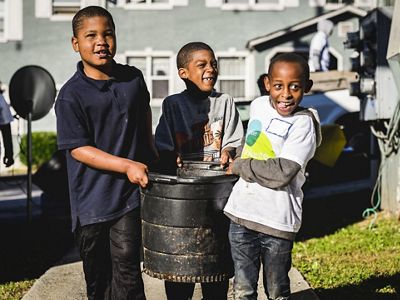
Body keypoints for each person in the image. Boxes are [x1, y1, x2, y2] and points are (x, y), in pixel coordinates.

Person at [55, 6, 156, 300]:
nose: (101, 41)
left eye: (107, 33)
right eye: (91, 36)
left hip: (128, 197)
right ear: (76, 44)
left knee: (127, 269)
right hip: (91, 203)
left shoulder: (133, 79)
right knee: (99, 277)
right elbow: (78, 149)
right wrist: (127, 165)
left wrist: (151, 152)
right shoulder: (71, 95)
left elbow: (144, 113)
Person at [224, 53, 322, 300]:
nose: (286, 94)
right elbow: (253, 145)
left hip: (277, 221)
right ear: (267, 83)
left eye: (295, 87)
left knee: (277, 290)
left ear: (307, 87)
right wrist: (232, 153)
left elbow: (282, 172)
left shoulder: (303, 124)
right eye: (278, 86)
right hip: (242, 214)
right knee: (243, 289)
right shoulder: (258, 106)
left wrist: (239, 167)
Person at [155, 41, 244, 300]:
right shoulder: (172, 105)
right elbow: (163, 145)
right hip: (183, 202)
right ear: (183, 73)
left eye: (214, 64)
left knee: (215, 271)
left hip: (217, 196)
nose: (211, 69)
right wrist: (171, 158)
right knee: (180, 271)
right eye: (202, 64)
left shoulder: (225, 102)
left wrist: (228, 151)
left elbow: (236, 140)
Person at [0, 84, 14, 168]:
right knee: (7, 140)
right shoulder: (1, 97)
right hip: (5, 121)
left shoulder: (1, 97)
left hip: (4, 121)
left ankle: (9, 157)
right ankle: (9, 157)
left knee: (7, 140)